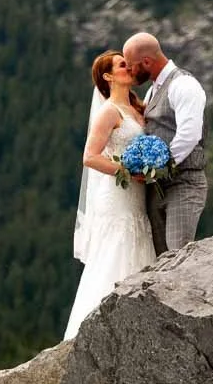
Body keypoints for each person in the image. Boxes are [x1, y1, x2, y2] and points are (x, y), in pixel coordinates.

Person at [65, 51, 157, 340]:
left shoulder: (136, 109)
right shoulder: (109, 111)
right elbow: (90, 157)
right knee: (116, 251)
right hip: (117, 196)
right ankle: (99, 335)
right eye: (121, 65)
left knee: (139, 243)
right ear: (108, 77)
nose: (128, 68)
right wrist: (129, 170)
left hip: (138, 196)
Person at [122, 32, 208, 254]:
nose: (129, 72)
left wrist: (158, 167)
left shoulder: (184, 85)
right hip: (156, 189)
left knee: (178, 254)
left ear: (147, 62)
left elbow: (189, 134)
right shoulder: (152, 91)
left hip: (183, 183)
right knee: (160, 259)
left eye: (131, 66)